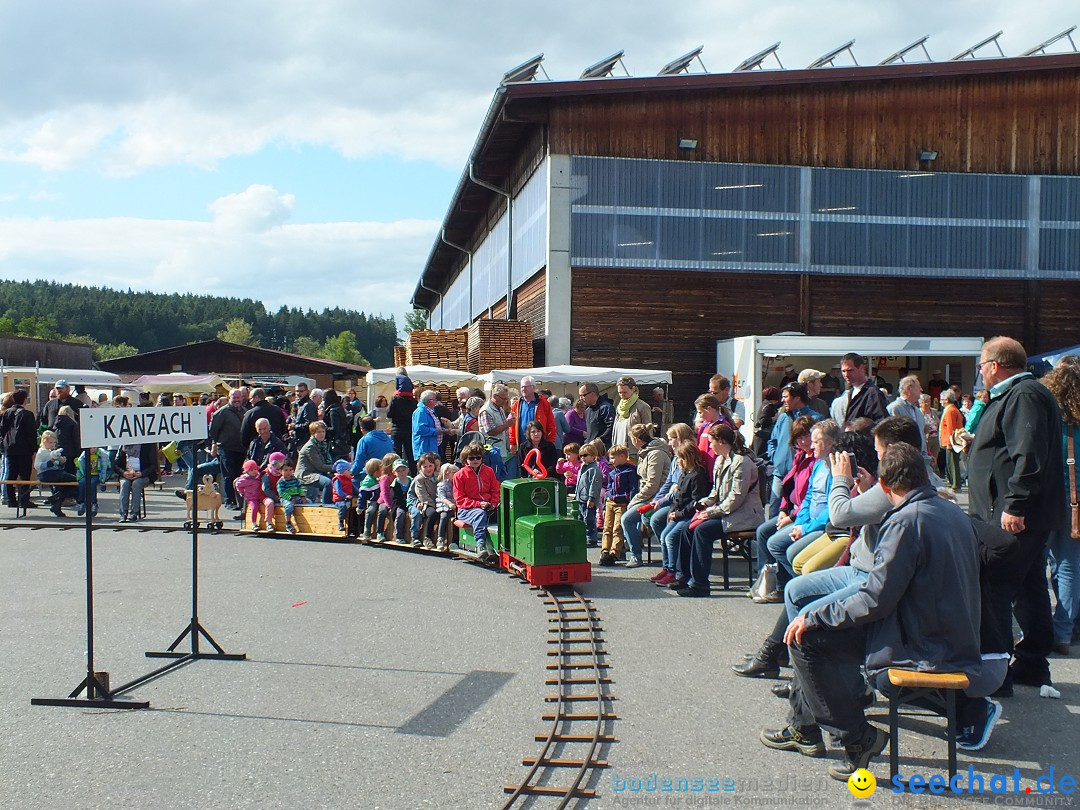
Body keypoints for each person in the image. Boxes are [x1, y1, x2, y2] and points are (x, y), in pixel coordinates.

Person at [760, 443, 981, 781]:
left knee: (805, 639)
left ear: (886, 486)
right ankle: (806, 727)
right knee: (812, 626)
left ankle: (857, 737)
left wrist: (817, 615)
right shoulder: (952, 512)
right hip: (945, 633)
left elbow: (875, 598)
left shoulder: (906, 521)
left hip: (921, 643)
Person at [968, 336, 1066, 690]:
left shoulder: (1023, 394)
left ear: (995, 365)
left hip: (1014, 515)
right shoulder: (1020, 394)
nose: (980, 372)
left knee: (994, 587)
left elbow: (1028, 454)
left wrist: (1016, 505)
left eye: (981, 365)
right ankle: (1031, 664)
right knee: (1029, 588)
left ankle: (998, 674)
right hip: (1018, 513)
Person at [670, 424, 763, 596]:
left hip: (744, 515)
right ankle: (683, 576)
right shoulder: (721, 460)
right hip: (726, 512)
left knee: (702, 531)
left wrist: (711, 512)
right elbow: (716, 492)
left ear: (721, 441)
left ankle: (700, 585)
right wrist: (703, 504)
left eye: (711, 442)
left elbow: (736, 498)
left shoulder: (742, 462)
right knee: (686, 529)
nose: (709, 446)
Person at [1040, 362, 1080, 655]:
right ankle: (1063, 631)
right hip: (1077, 502)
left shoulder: (1045, 418)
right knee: (1068, 566)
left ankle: (1042, 627)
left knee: (1035, 564)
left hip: (1047, 497)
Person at [621, 423, 673, 568]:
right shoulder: (645, 452)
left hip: (657, 496)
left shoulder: (655, 454)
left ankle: (636, 555)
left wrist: (635, 499)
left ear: (636, 439)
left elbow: (653, 484)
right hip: (648, 495)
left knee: (627, 519)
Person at [766, 383, 820, 517]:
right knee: (774, 512)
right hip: (780, 473)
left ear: (797, 398)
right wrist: (775, 458)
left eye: (786, 397)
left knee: (797, 509)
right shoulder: (783, 417)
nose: (782, 400)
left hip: (803, 473)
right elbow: (772, 441)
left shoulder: (815, 419)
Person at [453, 442, 501, 563]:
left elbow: (495, 490)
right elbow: (460, 499)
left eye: (478, 457)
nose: (475, 460)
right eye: (471, 458)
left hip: (488, 507)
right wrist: (478, 504)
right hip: (466, 510)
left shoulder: (489, 471)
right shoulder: (459, 475)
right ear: (465, 459)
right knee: (480, 514)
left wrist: (493, 504)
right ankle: (481, 544)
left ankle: (502, 547)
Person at [598, 444, 639, 566]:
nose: (611, 461)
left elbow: (633, 489)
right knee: (607, 528)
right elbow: (609, 488)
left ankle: (614, 553)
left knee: (617, 529)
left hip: (622, 503)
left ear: (622, 456)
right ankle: (605, 551)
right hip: (611, 503)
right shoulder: (612, 472)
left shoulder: (630, 471)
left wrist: (630, 501)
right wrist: (607, 501)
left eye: (613, 458)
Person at [2, 390, 38, 511]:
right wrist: (34, 448)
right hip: (24, 449)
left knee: (11, 474)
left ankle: (11, 500)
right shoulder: (27, 414)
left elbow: (2, 430)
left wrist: (4, 443)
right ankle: (24, 500)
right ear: (24, 400)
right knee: (24, 476)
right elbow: (31, 434)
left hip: (10, 448)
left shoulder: (7, 412)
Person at [209, 388, 246, 509]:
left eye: (238, 397)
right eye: (234, 397)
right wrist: (216, 443)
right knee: (229, 476)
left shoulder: (244, 411)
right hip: (226, 449)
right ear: (229, 398)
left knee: (239, 475)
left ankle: (240, 501)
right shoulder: (222, 412)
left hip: (241, 449)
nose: (236, 400)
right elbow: (213, 430)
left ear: (242, 398)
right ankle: (230, 501)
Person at [830, 353, 888, 426]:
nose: (846, 375)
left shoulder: (873, 393)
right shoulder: (852, 392)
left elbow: (882, 423)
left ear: (862, 368)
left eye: (850, 370)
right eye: (843, 371)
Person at [509, 376, 557, 458]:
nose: (523, 389)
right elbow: (512, 425)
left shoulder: (543, 403)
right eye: (522, 387)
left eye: (526, 387)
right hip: (522, 446)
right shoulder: (517, 404)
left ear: (533, 388)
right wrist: (512, 442)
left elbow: (551, 424)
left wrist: (550, 442)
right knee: (523, 468)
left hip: (540, 446)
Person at [114, 441, 158, 523]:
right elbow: (116, 465)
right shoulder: (123, 446)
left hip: (143, 475)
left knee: (136, 484)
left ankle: (134, 513)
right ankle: (123, 514)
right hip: (127, 474)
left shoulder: (147, 445)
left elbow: (153, 466)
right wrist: (123, 473)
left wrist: (141, 474)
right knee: (124, 484)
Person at [611, 376, 654, 459]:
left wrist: (645, 451)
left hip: (634, 453)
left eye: (625, 392)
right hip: (619, 452)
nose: (622, 395)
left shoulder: (643, 407)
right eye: (620, 393)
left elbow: (649, 431)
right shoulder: (619, 407)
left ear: (633, 389)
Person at [35, 430, 75, 517]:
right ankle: (55, 499)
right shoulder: (42, 452)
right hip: (45, 474)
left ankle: (56, 504)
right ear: (44, 442)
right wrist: (50, 462)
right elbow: (37, 466)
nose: (52, 444)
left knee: (66, 484)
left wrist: (62, 462)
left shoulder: (53, 451)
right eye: (50, 442)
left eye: (54, 442)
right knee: (71, 479)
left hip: (55, 473)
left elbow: (58, 466)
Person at [478, 384, 514, 474]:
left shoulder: (499, 408)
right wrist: (507, 425)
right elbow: (490, 431)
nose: (505, 401)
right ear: (495, 396)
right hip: (491, 453)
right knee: (495, 478)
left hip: (501, 451)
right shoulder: (486, 411)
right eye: (503, 398)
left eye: (507, 399)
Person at [297, 421, 334, 503]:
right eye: (319, 432)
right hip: (306, 474)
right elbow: (320, 466)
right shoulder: (310, 447)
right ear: (313, 433)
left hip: (315, 472)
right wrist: (335, 467)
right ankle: (326, 506)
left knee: (335, 479)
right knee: (327, 483)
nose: (322, 434)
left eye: (323, 431)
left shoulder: (322, 444)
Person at [408, 452, 439, 547]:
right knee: (432, 513)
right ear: (420, 468)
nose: (428, 469)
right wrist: (435, 506)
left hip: (438, 502)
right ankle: (426, 537)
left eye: (430, 465)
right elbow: (423, 496)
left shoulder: (438, 476)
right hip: (424, 503)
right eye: (425, 466)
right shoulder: (419, 479)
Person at [886, 375, 925, 451]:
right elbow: (892, 437)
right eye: (918, 386)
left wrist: (927, 455)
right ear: (909, 388)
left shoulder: (918, 411)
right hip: (903, 459)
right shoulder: (894, 408)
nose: (921, 389)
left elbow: (922, 436)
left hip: (920, 458)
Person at [575, 443, 603, 548]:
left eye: (585, 455)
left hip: (588, 499)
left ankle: (592, 539)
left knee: (589, 520)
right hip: (581, 498)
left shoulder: (594, 470)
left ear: (593, 456)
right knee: (582, 519)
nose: (582, 458)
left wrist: (591, 498)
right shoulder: (583, 467)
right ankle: (584, 537)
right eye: (581, 455)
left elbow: (594, 485)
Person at [387, 379, 418, 472]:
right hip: (409, 431)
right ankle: (412, 474)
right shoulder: (414, 401)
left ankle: (396, 474)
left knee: (397, 455)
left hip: (397, 430)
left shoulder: (395, 399)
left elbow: (389, 414)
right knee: (410, 454)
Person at [351, 416, 394, 481]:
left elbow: (359, 464)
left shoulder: (364, 440)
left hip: (375, 473)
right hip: (388, 472)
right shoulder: (387, 437)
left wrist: (350, 473)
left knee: (352, 480)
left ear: (362, 429)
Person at [938, 389, 965, 491]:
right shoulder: (952, 409)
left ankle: (955, 484)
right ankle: (953, 483)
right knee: (951, 462)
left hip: (952, 441)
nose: (941, 401)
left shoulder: (950, 411)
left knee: (952, 463)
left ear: (947, 400)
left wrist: (950, 442)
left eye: (942, 399)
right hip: (953, 441)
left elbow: (951, 427)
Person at [411, 390, 443, 463]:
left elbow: (434, 426)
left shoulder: (430, 411)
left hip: (431, 447)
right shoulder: (420, 411)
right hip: (424, 448)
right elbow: (420, 429)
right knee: (424, 471)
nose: (436, 402)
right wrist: (437, 431)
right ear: (429, 401)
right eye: (435, 400)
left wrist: (444, 430)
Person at [580, 383, 615, 448]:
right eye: (580, 396)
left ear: (592, 394)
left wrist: (599, 441)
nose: (581, 398)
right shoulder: (588, 410)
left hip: (603, 449)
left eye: (583, 395)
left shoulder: (606, 408)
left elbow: (611, 428)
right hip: (591, 449)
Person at [234, 459, 266, 531]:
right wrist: (242, 493)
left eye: (255, 469)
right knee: (254, 507)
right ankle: (254, 523)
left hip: (260, 495)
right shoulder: (245, 479)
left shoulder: (258, 477)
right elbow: (238, 484)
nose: (254, 471)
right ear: (247, 471)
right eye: (251, 470)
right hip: (252, 497)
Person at [276, 461, 308, 534]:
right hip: (286, 498)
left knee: (309, 502)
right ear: (281, 471)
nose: (288, 472)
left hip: (297, 497)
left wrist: (302, 496)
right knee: (289, 506)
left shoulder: (295, 480)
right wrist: (290, 498)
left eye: (290, 470)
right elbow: (281, 492)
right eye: (286, 470)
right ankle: (288, 522)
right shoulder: (281, 482)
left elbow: (300, 488)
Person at [355, 458, 383, 540]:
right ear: (376, 472)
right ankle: (366, 531)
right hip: (373, 500)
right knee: (370, 511)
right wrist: (360, 507)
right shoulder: (368, 482)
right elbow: (362, 496)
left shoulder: (377, 479)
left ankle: (380, 532)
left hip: (380, 499)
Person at [322, 389, 352, 461]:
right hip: (343, 441)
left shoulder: (333, 411)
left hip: (335, 443)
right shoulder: (339, 408)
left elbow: (335, 429)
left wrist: (324, 429)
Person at [435, 463, 458, 552]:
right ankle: (440, 538)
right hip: (444, 506)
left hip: (456, 507)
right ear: (447, 474)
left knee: (459, 518)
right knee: (444, 517)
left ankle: (455, 541)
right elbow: (442, 497)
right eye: (453, 472)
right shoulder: (442, 485)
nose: (456, 474)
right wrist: (450, 504)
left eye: (457, 472)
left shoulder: (458, 483)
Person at [387, 460, 412, 543]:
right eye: (398, 471)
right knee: (400, 514)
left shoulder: (412, 481)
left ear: (408, 470)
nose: (401, 473)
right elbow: (395, 499)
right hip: (400, 505)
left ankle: (415, 537)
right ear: (394, 472)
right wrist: (405, 505)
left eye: (403, 470)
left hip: (412, 503)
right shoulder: (394, 485)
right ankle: (398, 535)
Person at [291, 382, 318, 455]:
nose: (298, 393)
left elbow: (310, 424)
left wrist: (294, 426)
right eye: (297, 391)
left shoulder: (308, 405)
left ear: (307, 392)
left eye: (301, 391)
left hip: (304, 441)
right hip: (298, 440)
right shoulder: (298, 404)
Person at [331, 459, 355, 532]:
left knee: (353, 507)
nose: (350, 472)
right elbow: (339, 491)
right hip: (339, 499)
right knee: (343, 506)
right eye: (348, 470)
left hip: (348, 498)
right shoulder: (337, 479)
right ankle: (340, 522)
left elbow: (353, 488)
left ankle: (352, 526)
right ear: (342, 471)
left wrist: (359, 493)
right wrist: (345, 496)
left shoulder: (348, 479)